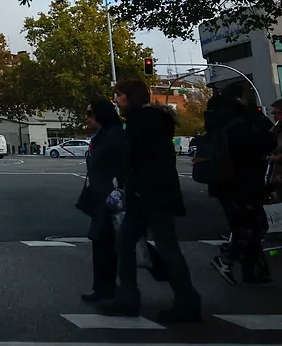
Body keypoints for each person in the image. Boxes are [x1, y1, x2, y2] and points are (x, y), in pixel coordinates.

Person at [98, 79, 201, 323]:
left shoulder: (140, 121)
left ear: (130, 96)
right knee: (143, 243)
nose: (115, 100)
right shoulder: (155, 119)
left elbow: (136, 156)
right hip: (156, 191)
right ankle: (183, 299)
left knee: (146, 244)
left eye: (119, 94)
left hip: (148, 193)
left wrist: (127, 180)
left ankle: (134, 298)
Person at [205, 85, 275, 285]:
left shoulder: (221, 120)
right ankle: (228, 258)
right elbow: (259, 143)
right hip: (242, 181)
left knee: (245, 225)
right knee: (253, 225)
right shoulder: (239, 121)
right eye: (246, 97)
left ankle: (253, 271)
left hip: (226, 181)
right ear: (238, 98)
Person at [78, 98, 127, 302]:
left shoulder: (113, 136)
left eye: (90, 113)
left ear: (102, 115)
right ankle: (103, 289)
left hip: (110, 199)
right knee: (101, 243)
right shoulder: (102, 136)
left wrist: (118, 191)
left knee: (107, 243)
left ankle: (107, 290)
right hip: (101, 198)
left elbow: (121, 167)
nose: (86, 117)